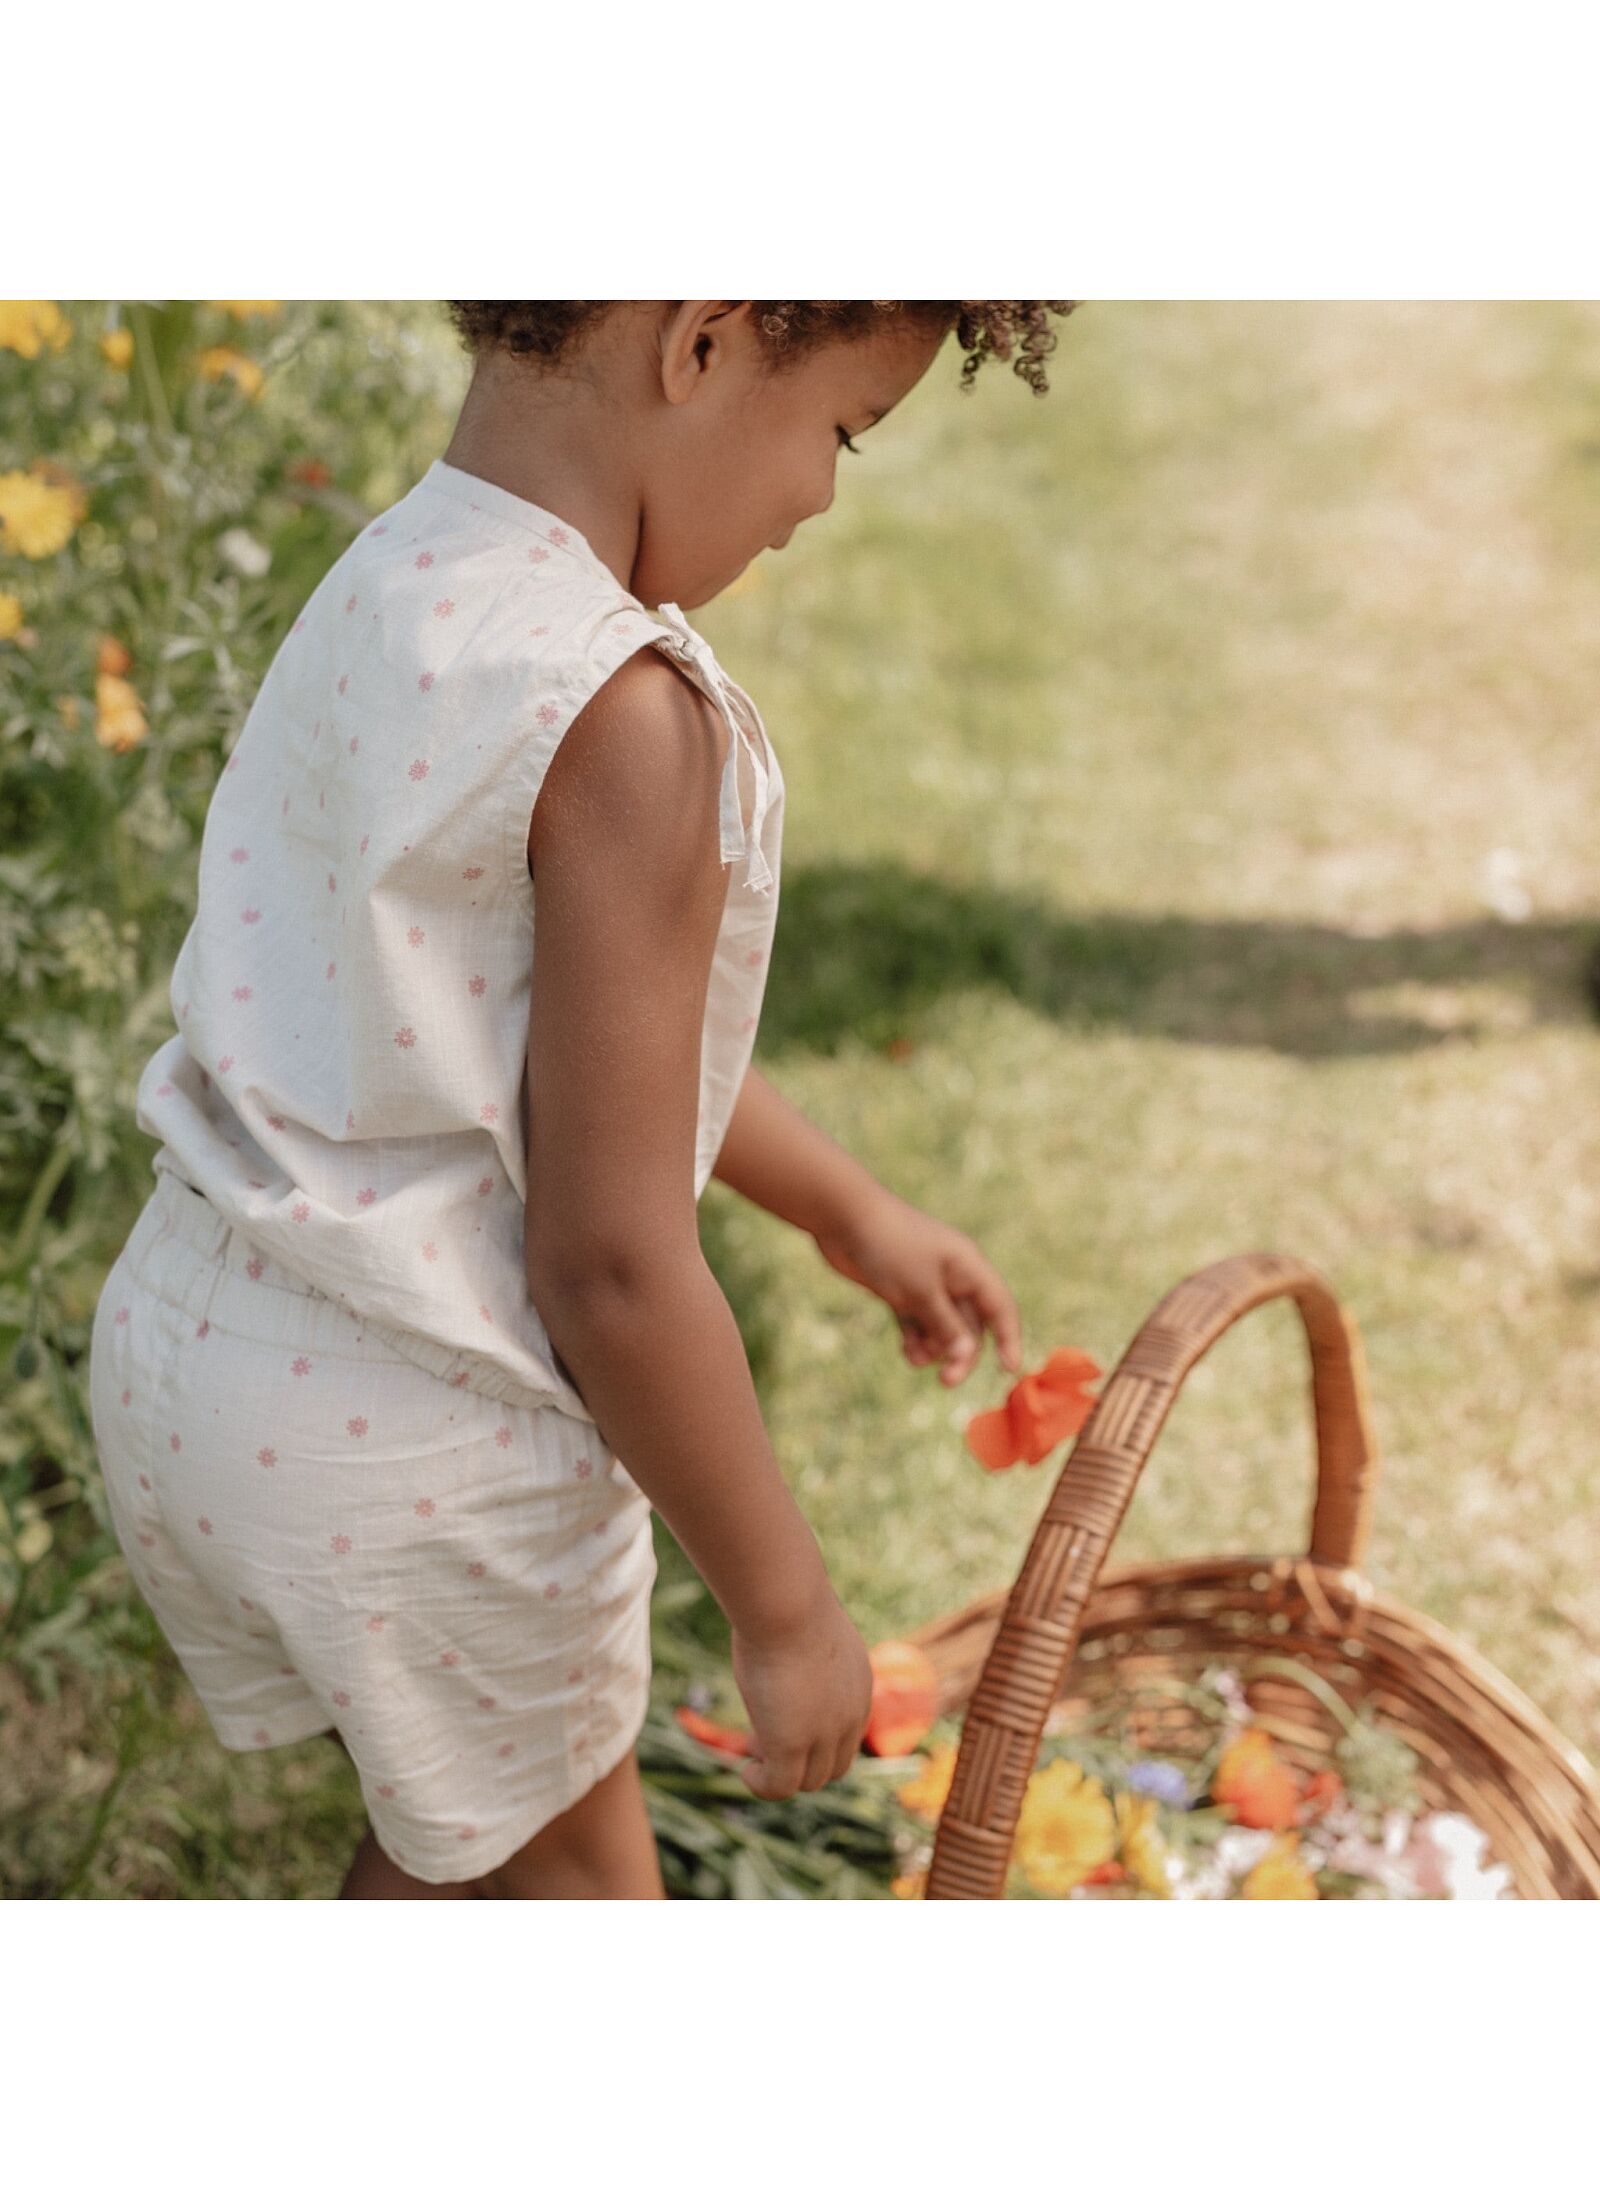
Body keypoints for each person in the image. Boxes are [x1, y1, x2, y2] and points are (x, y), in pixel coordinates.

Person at [87, 300, 1075, 1899]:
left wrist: (847, 1210)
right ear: (702, 343)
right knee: (578, 1890)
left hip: (200, 1357)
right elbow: (610, 1270)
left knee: (472, 1853)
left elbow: (520, 1048)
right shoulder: (628, 720)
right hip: (425, 1444)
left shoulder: (393, 576)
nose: (821, 497)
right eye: (841, 430)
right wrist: (787, 1610)